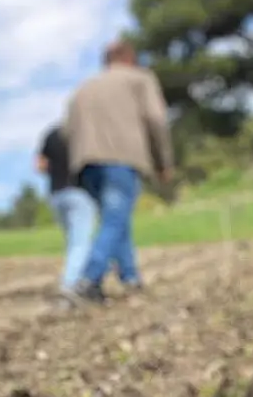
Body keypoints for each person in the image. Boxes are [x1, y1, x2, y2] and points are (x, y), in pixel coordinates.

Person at [62, 40, 174, 304]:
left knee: (115, 220)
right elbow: (156, 119)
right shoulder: (140, 79)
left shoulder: (82, 89)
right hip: (121, 158)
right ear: (130, 58)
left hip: (86, 163)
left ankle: (130, 277)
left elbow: (66, 132)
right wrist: (163, 162)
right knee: (115, 220)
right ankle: (88, 279)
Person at [37, 124, 97, 303]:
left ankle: (76, 280)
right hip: (78, 192)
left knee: (72, 241)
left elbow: (39, 165)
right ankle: (70, 285)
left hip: (56, 194)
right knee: (80, 242)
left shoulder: (51, 134)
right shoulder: (81, 133)